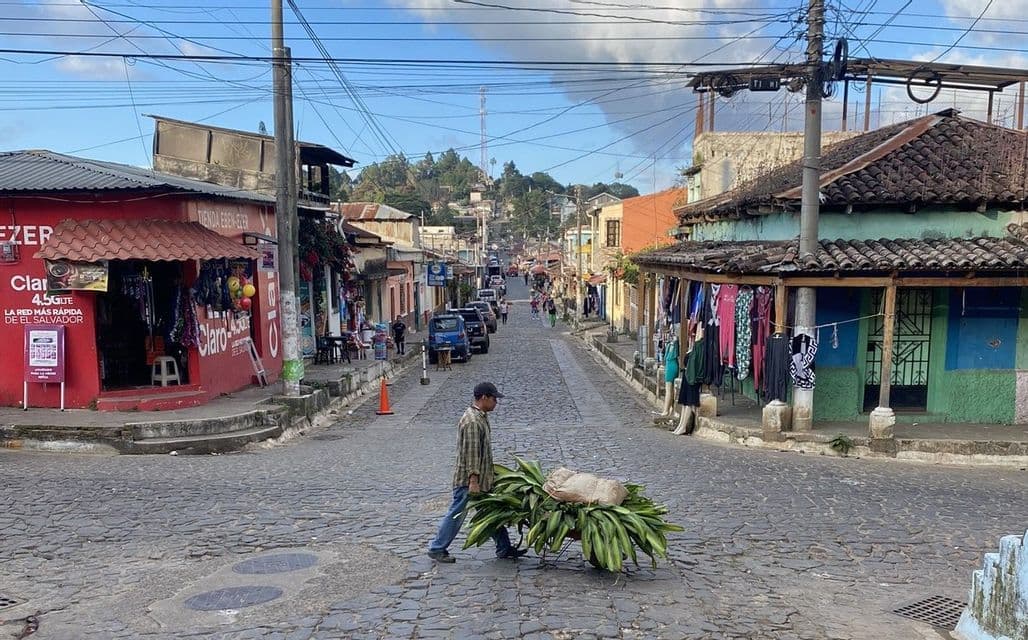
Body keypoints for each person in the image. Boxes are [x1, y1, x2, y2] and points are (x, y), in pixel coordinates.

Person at [427, 382, 527, 563]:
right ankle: (437, 548)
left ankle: (504, 547)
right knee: (457, 514)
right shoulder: (473, 421)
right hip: (469, 482)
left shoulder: (480, 416)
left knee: (490, 512)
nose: (496, 402)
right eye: (494, 398)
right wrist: (473, 481)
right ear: (483, 398)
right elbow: (472, 454)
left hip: (481, 479)